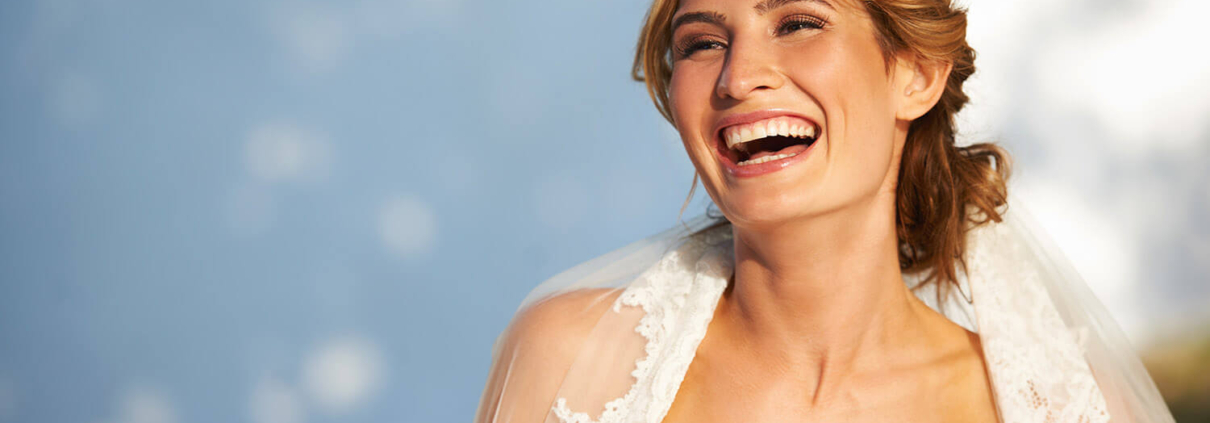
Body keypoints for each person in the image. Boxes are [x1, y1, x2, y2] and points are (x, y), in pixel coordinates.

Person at [475, 0, 1176, 422]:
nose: (738, 77)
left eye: (798, 22)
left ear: (916, 73)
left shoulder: (1063, 406)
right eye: (703, 42)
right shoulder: (572, 361)